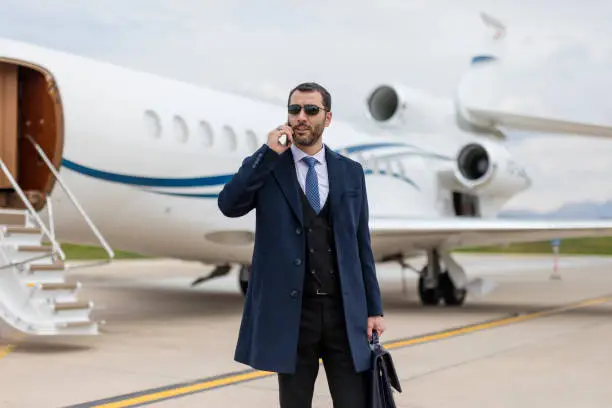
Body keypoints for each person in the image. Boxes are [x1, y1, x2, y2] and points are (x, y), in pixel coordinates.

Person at [217, 82, 385, 407]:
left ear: (328, 117)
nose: (301, 117)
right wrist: (267, 153)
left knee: (355, 402)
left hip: (343, 313)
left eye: (311, 110)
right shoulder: (268, 167)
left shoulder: (351, 173)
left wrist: (374, 308)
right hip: (294, 316)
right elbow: (229, 204)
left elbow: (361, 244)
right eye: (294, 110)